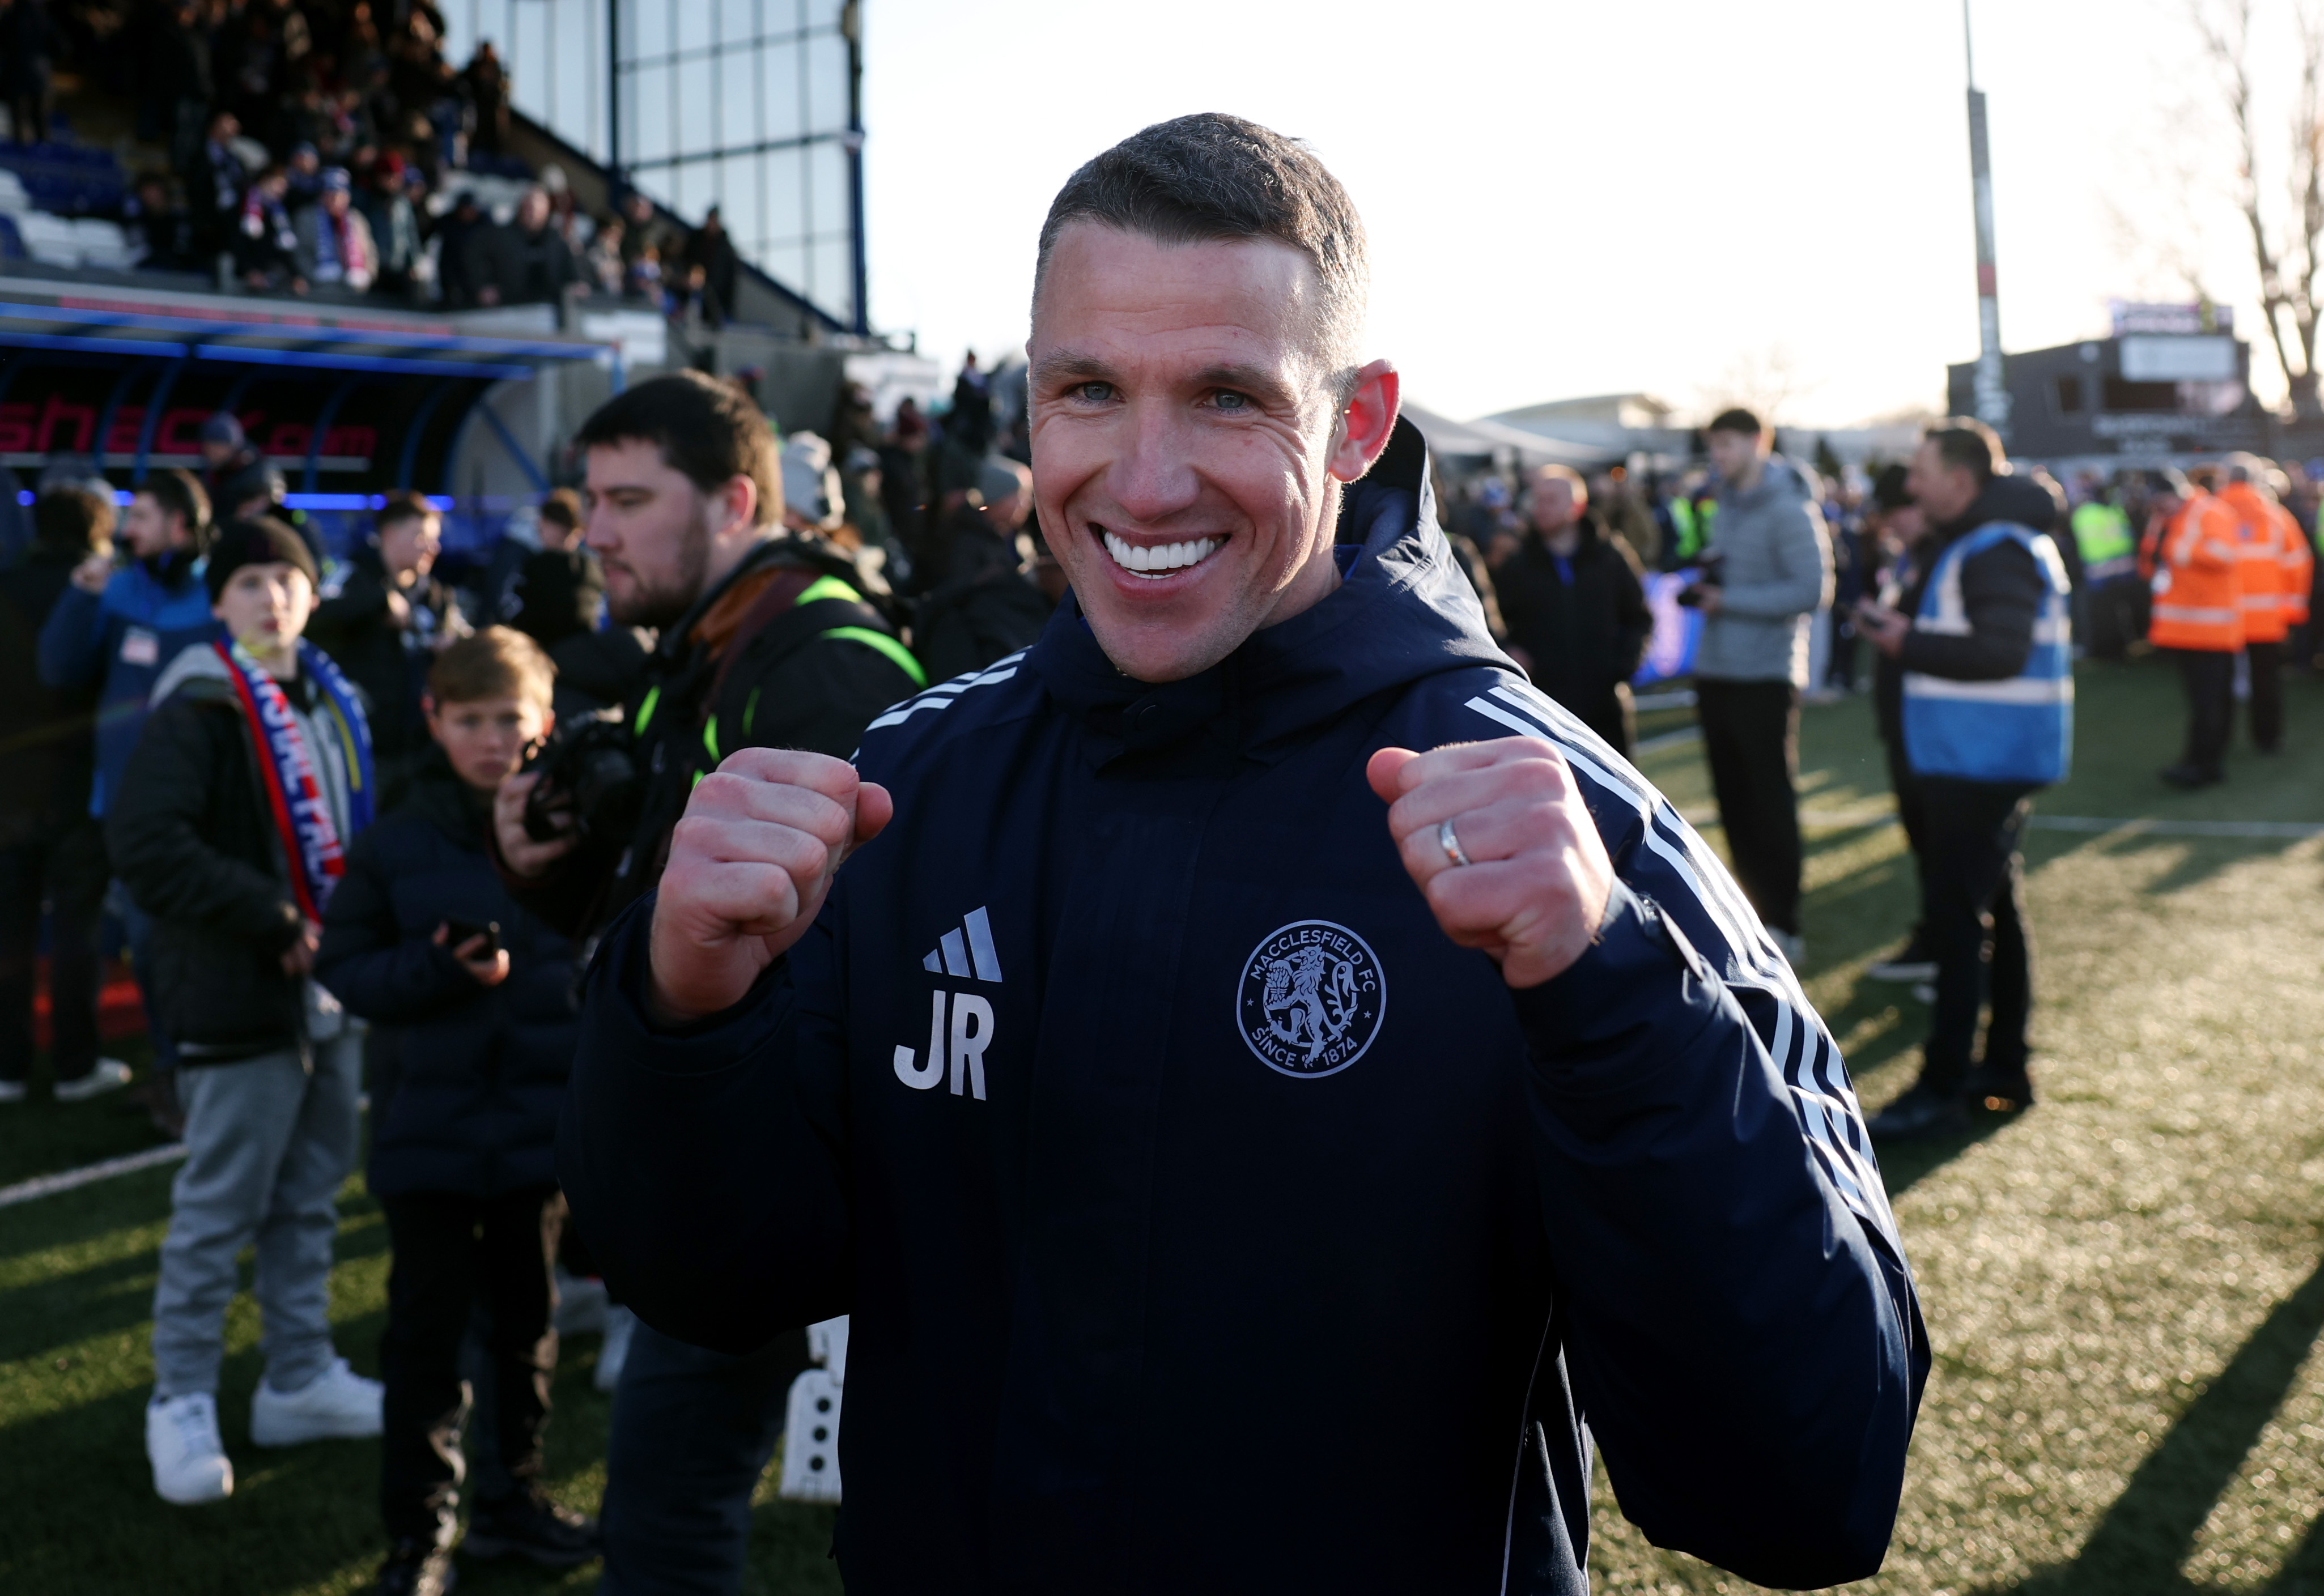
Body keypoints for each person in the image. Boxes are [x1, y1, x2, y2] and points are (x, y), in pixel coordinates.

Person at [554, 113, 1922, 1594]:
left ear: (1356, 419)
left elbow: (1804, 1486)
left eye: (1223, 397)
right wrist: (680, 1011)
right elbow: (708, 1276)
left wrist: (1615, 1000)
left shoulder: (1562, 825)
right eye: (1088, 391)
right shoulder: (915, 784)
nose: (1143, 483)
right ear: (1028, 408)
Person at [485, 371, 924, 1594]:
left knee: (667, 1520)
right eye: (589, 499)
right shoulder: (716, 642)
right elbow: (696, 912)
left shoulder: (820, 662)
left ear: (736, 500)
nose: (597, 531)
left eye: (628, 498)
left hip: (760, 1164)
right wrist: (552, 879)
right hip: (710, 1144)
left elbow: (856, 956)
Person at [317, 628, 598, 1595]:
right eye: (469, 718)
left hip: (534, 1138)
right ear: (434, 720)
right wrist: (438, 968)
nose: (489, 738)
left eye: (508, 718)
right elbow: (343, 965)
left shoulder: (576, 829)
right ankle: (417, 1533)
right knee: (423, 1343)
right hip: (425, 1142)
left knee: (527, 1331)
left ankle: (509, 1505)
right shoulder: (397, 838)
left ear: (544, 723)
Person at [108, 517, 383, 1506]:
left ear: (312, 592)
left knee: (310, 1192)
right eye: (249, 581)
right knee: (218, 1207)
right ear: (217, 600)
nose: (272, 595)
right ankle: (178, 1396)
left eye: (287, 578)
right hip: (240, 987)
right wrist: (271, 917)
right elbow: (145, 843)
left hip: (326, 988)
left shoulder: (331, 694)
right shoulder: (200, 703)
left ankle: (297, 1373)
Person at [1854, 421, 2070, 1140]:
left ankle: (1942, 1087)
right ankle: (2002, 1067)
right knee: (1994, 917)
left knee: (1958, 927)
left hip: (1981, 761)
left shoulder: (1995, 545)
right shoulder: (1990, 540)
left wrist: (1903, 640)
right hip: (1978, 756)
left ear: (1961, 479)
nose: (1911, 486)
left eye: (1921, 472)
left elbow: (2000, 651)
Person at [37, 469, 219, 1129]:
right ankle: (173, 1073)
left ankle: (199, 1072)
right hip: (122, 805)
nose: (126, 530)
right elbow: (58, 668)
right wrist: (80, 598)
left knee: (194, 944)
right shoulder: (112, 591)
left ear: (179, 523)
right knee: (143, 944)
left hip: (201, 808)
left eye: (139, 516)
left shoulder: (220, 597)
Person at [1683, 408, 1832, 965]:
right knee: (1733, 801)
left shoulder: (1792, 508)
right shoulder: (1723, 504)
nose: (1718, 454)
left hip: (1765, 675)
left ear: (1757, 443)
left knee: (1769, 802)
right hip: (1716, 669)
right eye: (1713, 444)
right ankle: (1752, 918)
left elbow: (1813, 590)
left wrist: (1730, 602)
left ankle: (1786, 921)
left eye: (1726, 444)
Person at [0, 487, 130, 1105]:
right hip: (78, 786)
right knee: (78, 927)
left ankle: (8, 1066)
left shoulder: (8, 583)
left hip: (9, 790)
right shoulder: (103, 595)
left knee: (10, 931)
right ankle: (77, 1064)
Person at [311, 492, 466, 811]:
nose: (431, 548)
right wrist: (377, 604)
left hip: (419, 748)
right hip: (364, 747)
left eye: (435, 540)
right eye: (421, 537)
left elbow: (464, 641)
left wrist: (452, 649)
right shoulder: (353, 575)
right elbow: (314, 619)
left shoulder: (435, 595)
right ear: (389, 534)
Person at [1493, 463, 1652, 755]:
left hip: (1605, 704)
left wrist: (1623, 666)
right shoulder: (1518, 565)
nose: (1541, 508)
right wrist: (1510, 653)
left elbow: (1640, 617)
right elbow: (1492, 621)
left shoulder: (1610, 557)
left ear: (1577, 506)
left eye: (1551, 500)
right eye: (1537, 499)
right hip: (1544, 706)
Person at [1858, 467, 1939, 986]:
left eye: (1894, 516)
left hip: (1929, 723)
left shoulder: (1943, 556)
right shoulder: (1915, 556)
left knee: (1944, 849)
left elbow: (1937, 641)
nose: (1891, 528)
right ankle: (1935, 942)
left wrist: (1891, 629)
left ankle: (1952, 957)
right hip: (1905, 718)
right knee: (1925, 841)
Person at [911, 456, 1055, 681]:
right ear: (996, 498)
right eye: (1019, 497)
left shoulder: (1003, 534)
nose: (1026, 505)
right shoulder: (966, 542)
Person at [2150, 473, 2244, 789]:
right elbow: (2151, 560)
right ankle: (2203, 762)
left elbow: (2226, 555)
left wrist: (2179, 548)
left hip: (2210, 630)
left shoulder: (2209, 512)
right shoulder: (2179, 516)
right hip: (2191, 629)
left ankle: (2203, 766)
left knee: (2209, 703)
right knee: (2204, 702)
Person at [2217, 454, 2310, 756]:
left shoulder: (2212, 514)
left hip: (2222, 619)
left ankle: (2218, 741)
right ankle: (2268, 740)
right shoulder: (2277, 517)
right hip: (2267, 619)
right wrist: (2292, 610)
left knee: (2219, 684)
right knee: (2266, 681)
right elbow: (2299, 564)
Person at [471, 186, 582, 309]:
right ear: (521, 208)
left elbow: (570, 273)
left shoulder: (556, 241)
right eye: (529, 208)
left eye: (537, 208)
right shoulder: (501, 237)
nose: (533, 213)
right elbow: (474, 259)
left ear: (546, 210)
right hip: (510, 307)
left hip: (550, 308)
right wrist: (482, 286)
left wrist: (576, 285)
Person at [2069, 478, 2139, 661]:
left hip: (2098, 572)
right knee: (2119, 614)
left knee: (2103, 616)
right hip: (2122, 571)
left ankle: (2108, 651)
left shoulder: (2084, 513)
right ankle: (2121, 648)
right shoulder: (2115, 511)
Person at [294, 168, 379, 292]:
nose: (335, 200)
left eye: (340, 195)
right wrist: (314, 275)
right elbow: (299, 252)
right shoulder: (307, 218)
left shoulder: (357, 220)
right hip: (318, 290)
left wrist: (368, 275)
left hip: (356, 291)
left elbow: (371, 252)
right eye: (331, 194)